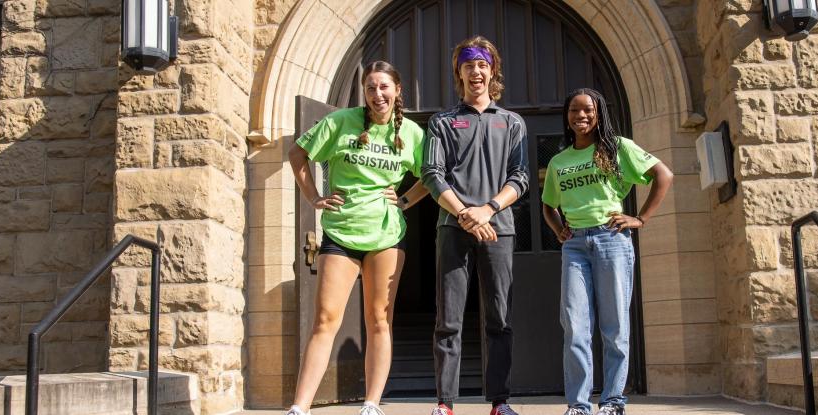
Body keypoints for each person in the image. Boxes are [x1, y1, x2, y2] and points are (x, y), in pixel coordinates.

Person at [285, 60, 429, 415]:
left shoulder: (411, 132)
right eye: (370, 88)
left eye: (383, 87)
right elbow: (296, 153)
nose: (377, 94)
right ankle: (299, 407)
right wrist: (314, 197)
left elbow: (431, 175)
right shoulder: (340, 122)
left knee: (379, 319)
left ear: (397, 91)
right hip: (341, 232)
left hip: (386, 235)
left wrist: (406, 199)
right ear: (364, 93)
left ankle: (371, 403)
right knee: (325, 319)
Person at [541, 88, 673, 415]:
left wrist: (640, 217)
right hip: (575, 247)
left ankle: (613, 401)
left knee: (614, 328)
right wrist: (559, 229)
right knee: (574, 324)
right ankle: (579, 405)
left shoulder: (617, 148)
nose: (581, 116)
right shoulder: (559, 161)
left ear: (599, 113)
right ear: (567, 117)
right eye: (574, 111)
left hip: (611, 239)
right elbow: (548, 205)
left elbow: (663, 175)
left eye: (588, 110)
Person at [421, 36, 528, 415]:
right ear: (459, 72)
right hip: (452, 229)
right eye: (468, 64)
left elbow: (520, 178)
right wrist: (466, 214)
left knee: (499, 318)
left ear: (492, 70)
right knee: (448, 320)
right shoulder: (442, 122)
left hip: (499, 228)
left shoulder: (511, 123)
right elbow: (432, 174)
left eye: (482, 64)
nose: (476, 71)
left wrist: (488, 209)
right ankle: (445, 404)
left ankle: (500, 403)